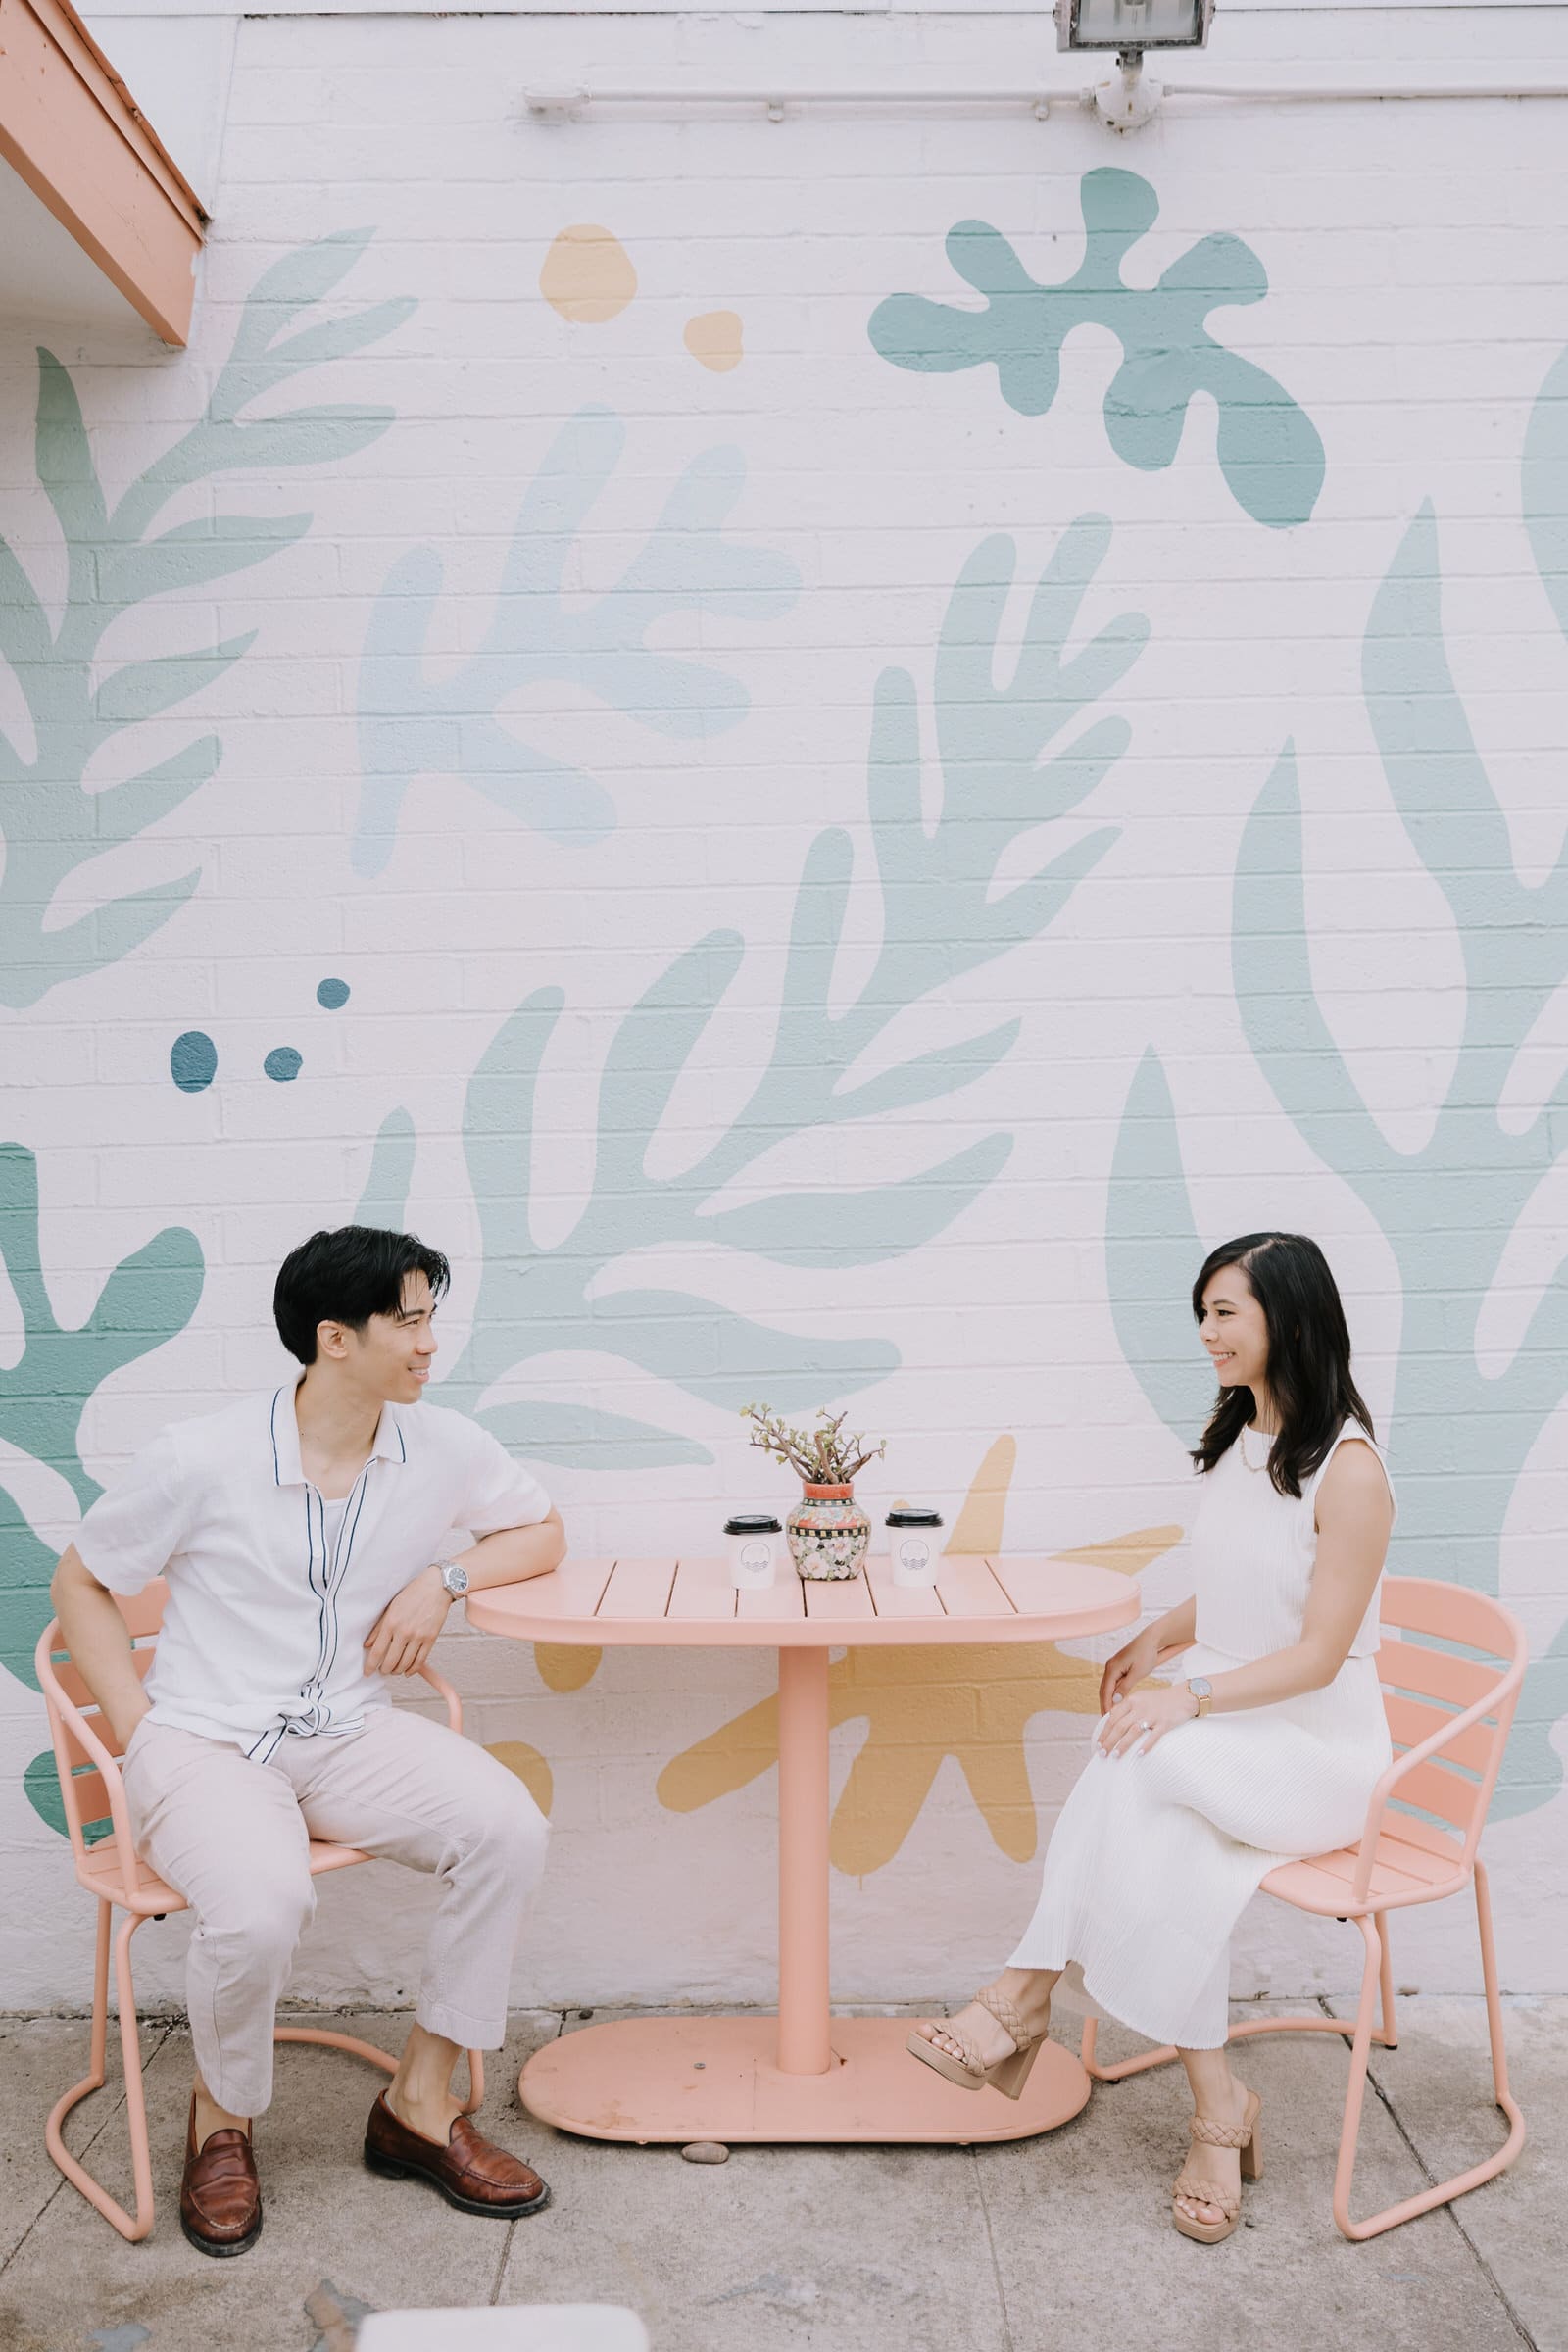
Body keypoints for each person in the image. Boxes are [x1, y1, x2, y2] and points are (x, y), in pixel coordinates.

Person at [50, 1225, 567, 2258]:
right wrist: (140, 1729)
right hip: (204, 1742)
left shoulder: (444, 1446)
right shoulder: (200, 1456)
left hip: (347, 1730)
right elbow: (82, 1582)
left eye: (431, 1318)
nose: (430, 1343)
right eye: (407, 1322)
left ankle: (419, 2106)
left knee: (509, 1829)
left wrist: (443, 1581)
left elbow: (542, 1530)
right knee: (262, 1906)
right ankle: (222, 2122)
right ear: (336, 1338)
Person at [907, 1230, 1396, 2245]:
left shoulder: (1348, 1472)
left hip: (1317, 1751)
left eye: (1225, 1313)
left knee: (1142, 1747)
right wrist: (1158, 1641)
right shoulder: (1245, 1438)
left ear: (1289, 1319)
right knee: (1163, 1820)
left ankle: (1021, 1998)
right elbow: (1243, 1585)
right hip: (1239, 1736)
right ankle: (1217, 2108)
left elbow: (1317, 1655)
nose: (1206, 1333)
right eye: (1202, 1313)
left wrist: (1190, 1696)